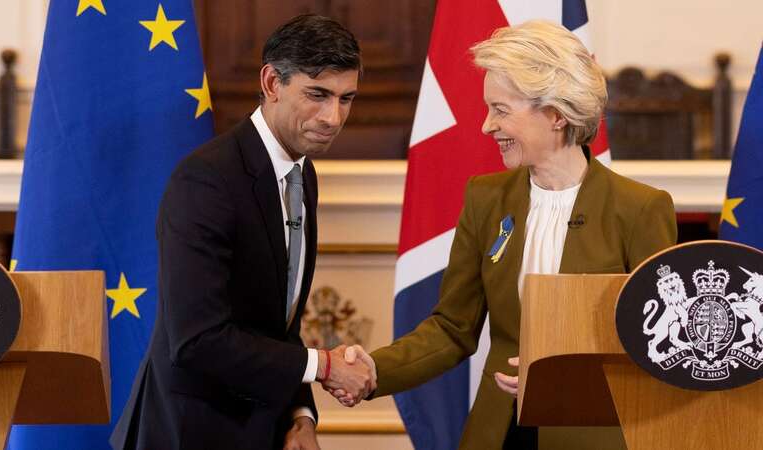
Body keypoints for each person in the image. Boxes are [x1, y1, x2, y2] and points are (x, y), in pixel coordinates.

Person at [334, 20, 677, 449]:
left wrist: (568, 380)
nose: (485, 126)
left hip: (594, 437)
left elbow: (663, 349)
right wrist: (373, 370)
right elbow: (452, 328)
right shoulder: (486, 199)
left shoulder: (640, 209)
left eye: (500, 109)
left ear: (554, 114)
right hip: (500, 433)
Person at [110, 14, 374, 450]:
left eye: (347, 99)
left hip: (261, 426)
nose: (333, 117)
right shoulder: (207, 179)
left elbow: (277, 323)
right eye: (318, 95)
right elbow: (197, 340)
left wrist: (301, 415)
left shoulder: (302, 175)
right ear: (272, 83)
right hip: (188, 432)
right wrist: (324, 365)